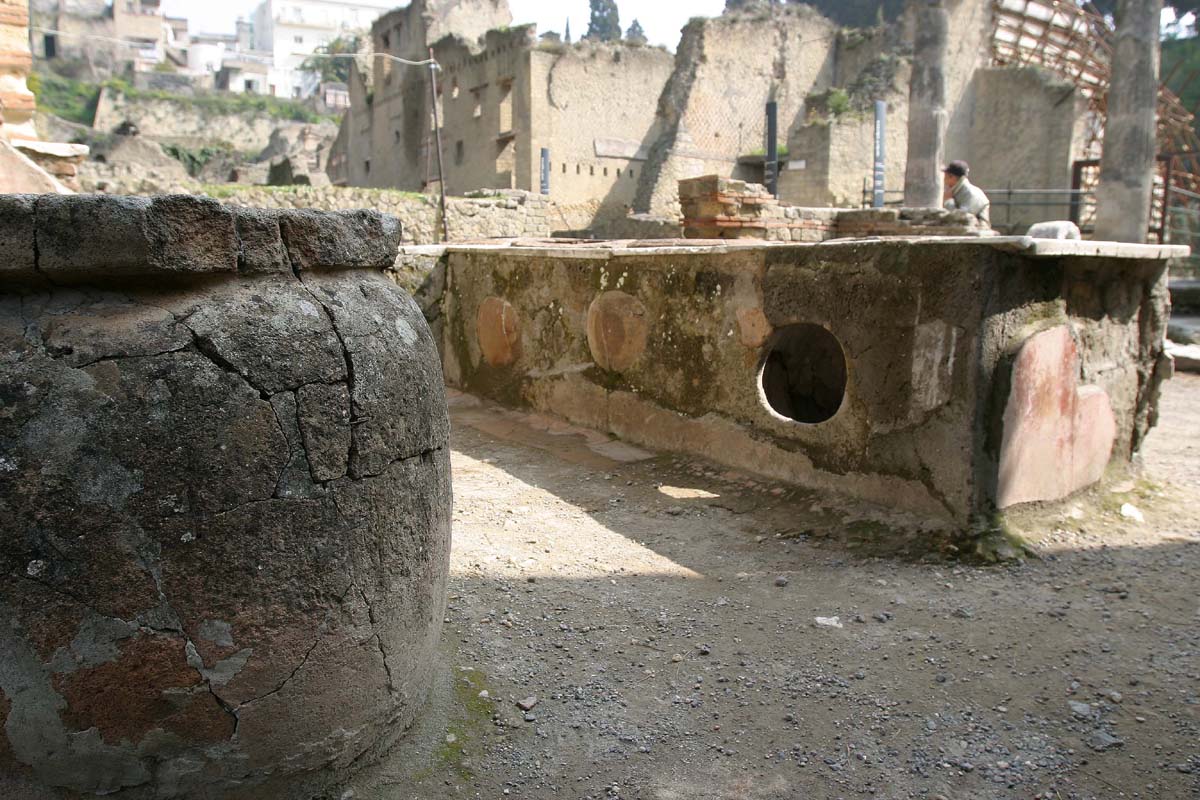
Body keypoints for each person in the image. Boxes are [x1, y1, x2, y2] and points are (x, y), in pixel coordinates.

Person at [942, 160, 991, 227]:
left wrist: (949, 201)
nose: (944, 179)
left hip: (977, 231)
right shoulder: (956, 191)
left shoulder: (971, 193)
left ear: (952, 177)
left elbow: (962, 218)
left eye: (945, 176)